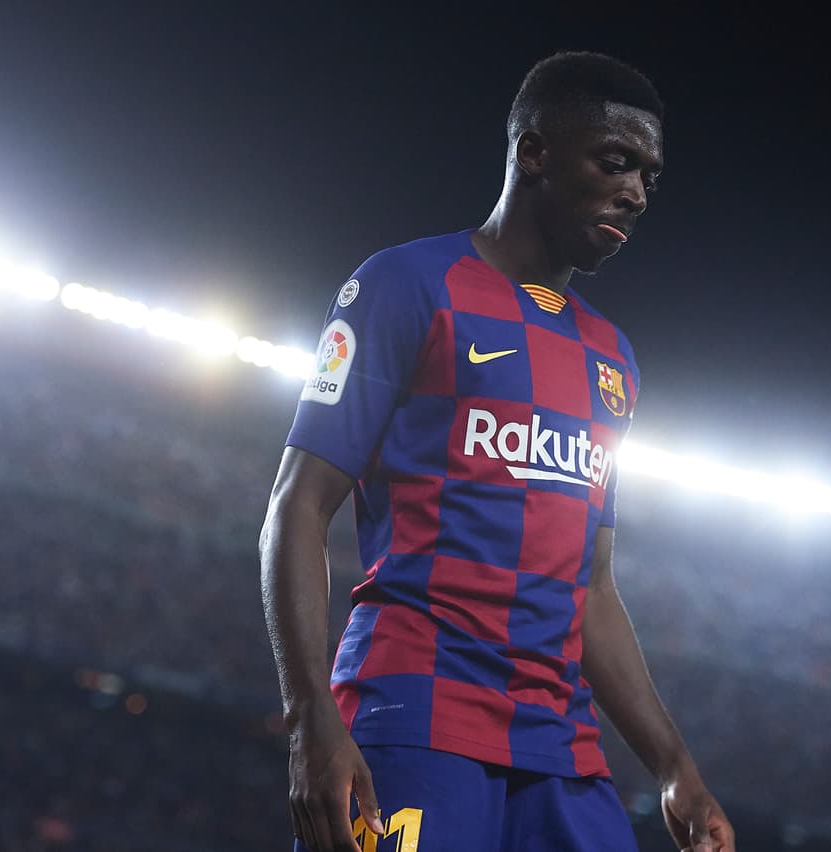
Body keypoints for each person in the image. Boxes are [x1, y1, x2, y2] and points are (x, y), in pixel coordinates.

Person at [260, 51, 735, 852]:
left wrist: (672, 765)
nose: (636, 192)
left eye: (649, 176)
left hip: (561, 751)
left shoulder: (613, 359)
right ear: (535, 151)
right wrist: (310, 719)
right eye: (615, 162)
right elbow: (297, 509)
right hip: (413, 719)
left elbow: (591, 587)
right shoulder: (407, 285)